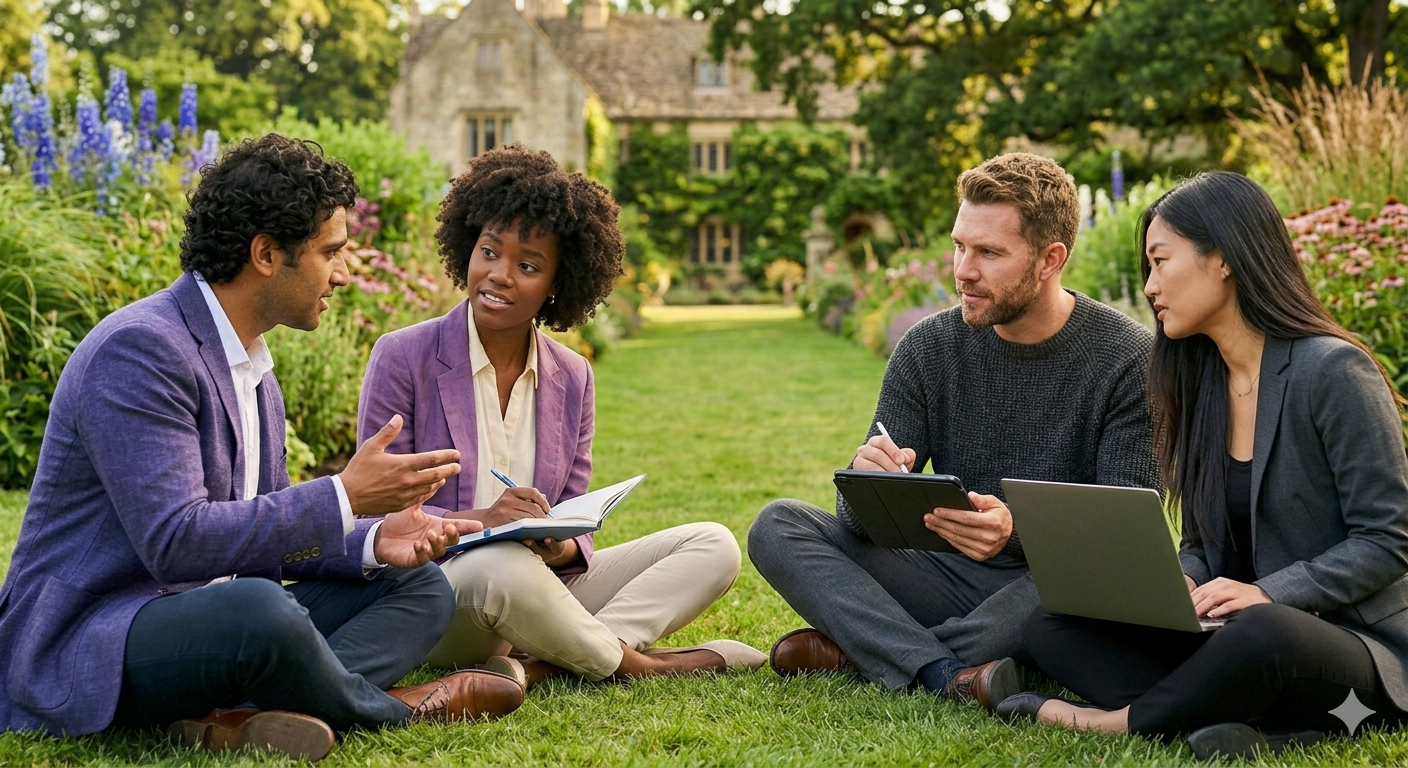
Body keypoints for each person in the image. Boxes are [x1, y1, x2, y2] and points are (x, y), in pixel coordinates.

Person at [0, 135, 526, 762]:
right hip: (101, 632)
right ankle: (390, 709)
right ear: (267, 254)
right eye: (332, 251)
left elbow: (264, 522)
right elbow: (175, 542)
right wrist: (343, 493)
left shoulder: (254, 368)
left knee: (419, 587)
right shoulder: (140, 350)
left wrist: (370, 540)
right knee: (258, 609)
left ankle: (247, 717)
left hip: (215, 618)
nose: (343, 272)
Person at [999, 171, 1408, 759]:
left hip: (1350, 642)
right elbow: (1200, 541)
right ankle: (1257, 724)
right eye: (1146, 267)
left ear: (1224, 259)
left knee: (1263, 632)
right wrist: (1183, 582)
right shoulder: (1201, 385)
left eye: (1161, 261)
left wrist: (1268, 593)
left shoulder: (1333, 372)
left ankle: (1114, 723)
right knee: (1052, 624)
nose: (1149, 284)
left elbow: (1387, 540)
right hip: (1239, 636)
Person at [749, 152, 1161, 709]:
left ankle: (869, 650)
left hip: (1052, 589)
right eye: (959, 245)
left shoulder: (1128, 360)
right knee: (777, 525)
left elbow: (1122, 541)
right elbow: (862, 527)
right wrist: (869, 483)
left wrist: (1016, 530)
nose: (963, 269)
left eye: (989, 252)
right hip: (946, 574)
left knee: (1075, 591)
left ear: (1050, 259)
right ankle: (947, 671)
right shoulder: (927, 348)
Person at [358, 144, 763, 689]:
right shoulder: (403, 356)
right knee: (499, 566)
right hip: (446, 595)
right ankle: (635, 664)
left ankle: (548, 662)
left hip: (546, 586)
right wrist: (485, 520)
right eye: (489, 252)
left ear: (557, 284)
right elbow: (374, 520)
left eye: (527, 265)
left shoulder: (572, 376)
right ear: (467, 250)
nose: (499, 275)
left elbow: (575, 510)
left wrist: (564, 542)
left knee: (713, 544)